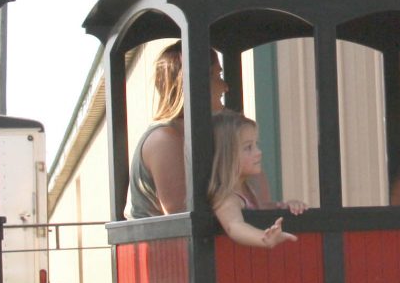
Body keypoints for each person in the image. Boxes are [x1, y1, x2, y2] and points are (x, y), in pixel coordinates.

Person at [129, 43, 274, 217]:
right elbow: (182, 214)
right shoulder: (164, 139)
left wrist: (238, 135)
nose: (225, 86)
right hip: (164, 244)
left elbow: (262, 202)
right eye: (218, 76)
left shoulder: (217, 134)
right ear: (195, 81)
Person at [206, 111, 305, 249]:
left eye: (256, 144)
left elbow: (263, 207)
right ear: (226, 155)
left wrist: (287, 206)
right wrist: (263, 238)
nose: (259, 152)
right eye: (248, 148)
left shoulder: (248, 189)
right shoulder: (226, 197)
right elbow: (234, 225)